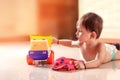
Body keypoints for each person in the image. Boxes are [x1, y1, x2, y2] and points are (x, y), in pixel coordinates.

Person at [52, 12, 120, 70]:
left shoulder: (100, 46)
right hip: (108, 46)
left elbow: (98, 61)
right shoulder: (81, 43)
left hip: (111, 51)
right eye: (77, 30)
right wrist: (57, 41)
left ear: (92, 35)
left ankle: (117, 45)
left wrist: (84, 65)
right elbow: (70, 43)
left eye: (80, 31)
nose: (76, 33)